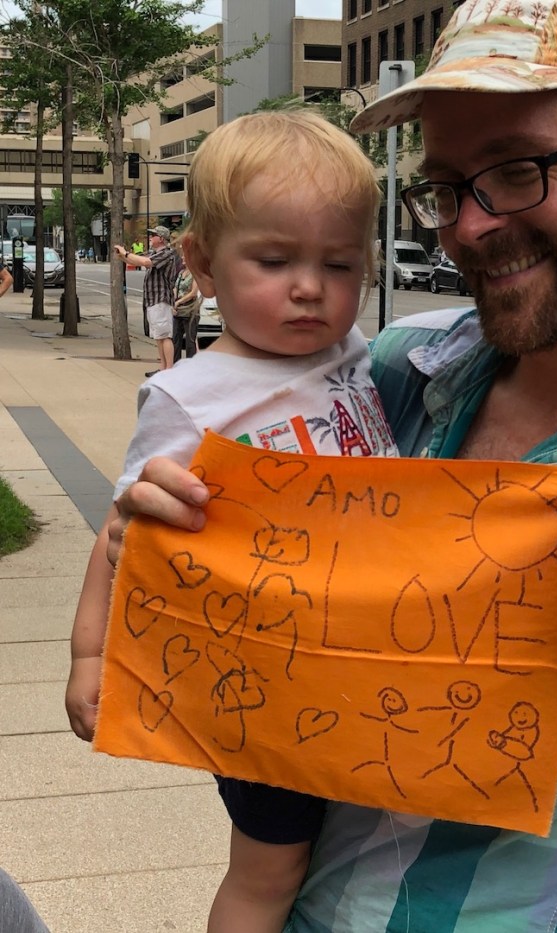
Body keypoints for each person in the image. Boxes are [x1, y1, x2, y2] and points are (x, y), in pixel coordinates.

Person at [105, 0, 557, 929]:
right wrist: (159, 547)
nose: (466, 226)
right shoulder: (391, 375)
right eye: (446, 186)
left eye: (515, 169)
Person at [66, 110, 399, 933]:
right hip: (261, 682)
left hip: (352, 663)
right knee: (269, 864)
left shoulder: (352, 350)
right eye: (274, 260)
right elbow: (121, 534)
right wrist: (89, 654)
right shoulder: (192, 396)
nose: (310, 287)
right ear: (203, 265)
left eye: (339, 262)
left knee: (345, 836)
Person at [114, 225, 178, 377]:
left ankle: (169, 369)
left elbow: (146, 262)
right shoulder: (154, 253)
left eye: (153, 235)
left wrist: (126, 253)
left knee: (164, 335)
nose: (150, 238)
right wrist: (123, 256)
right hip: (152, 300)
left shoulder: (166, 254)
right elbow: (138, 260)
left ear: (161, 238)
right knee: (158, 336)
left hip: (161, 299)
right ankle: (163, 367)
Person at [171, 249, 200, 362]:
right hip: (178, 311)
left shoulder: (195, 274)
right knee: (175, 340)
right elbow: (175, 287)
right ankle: (175, 364)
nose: (182, 258)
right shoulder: (181, 273)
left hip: (190, 311)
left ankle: (190, 366)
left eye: (185, 256)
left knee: (190, 342)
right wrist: (174, 299)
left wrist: (179, 301)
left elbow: (193, 293)